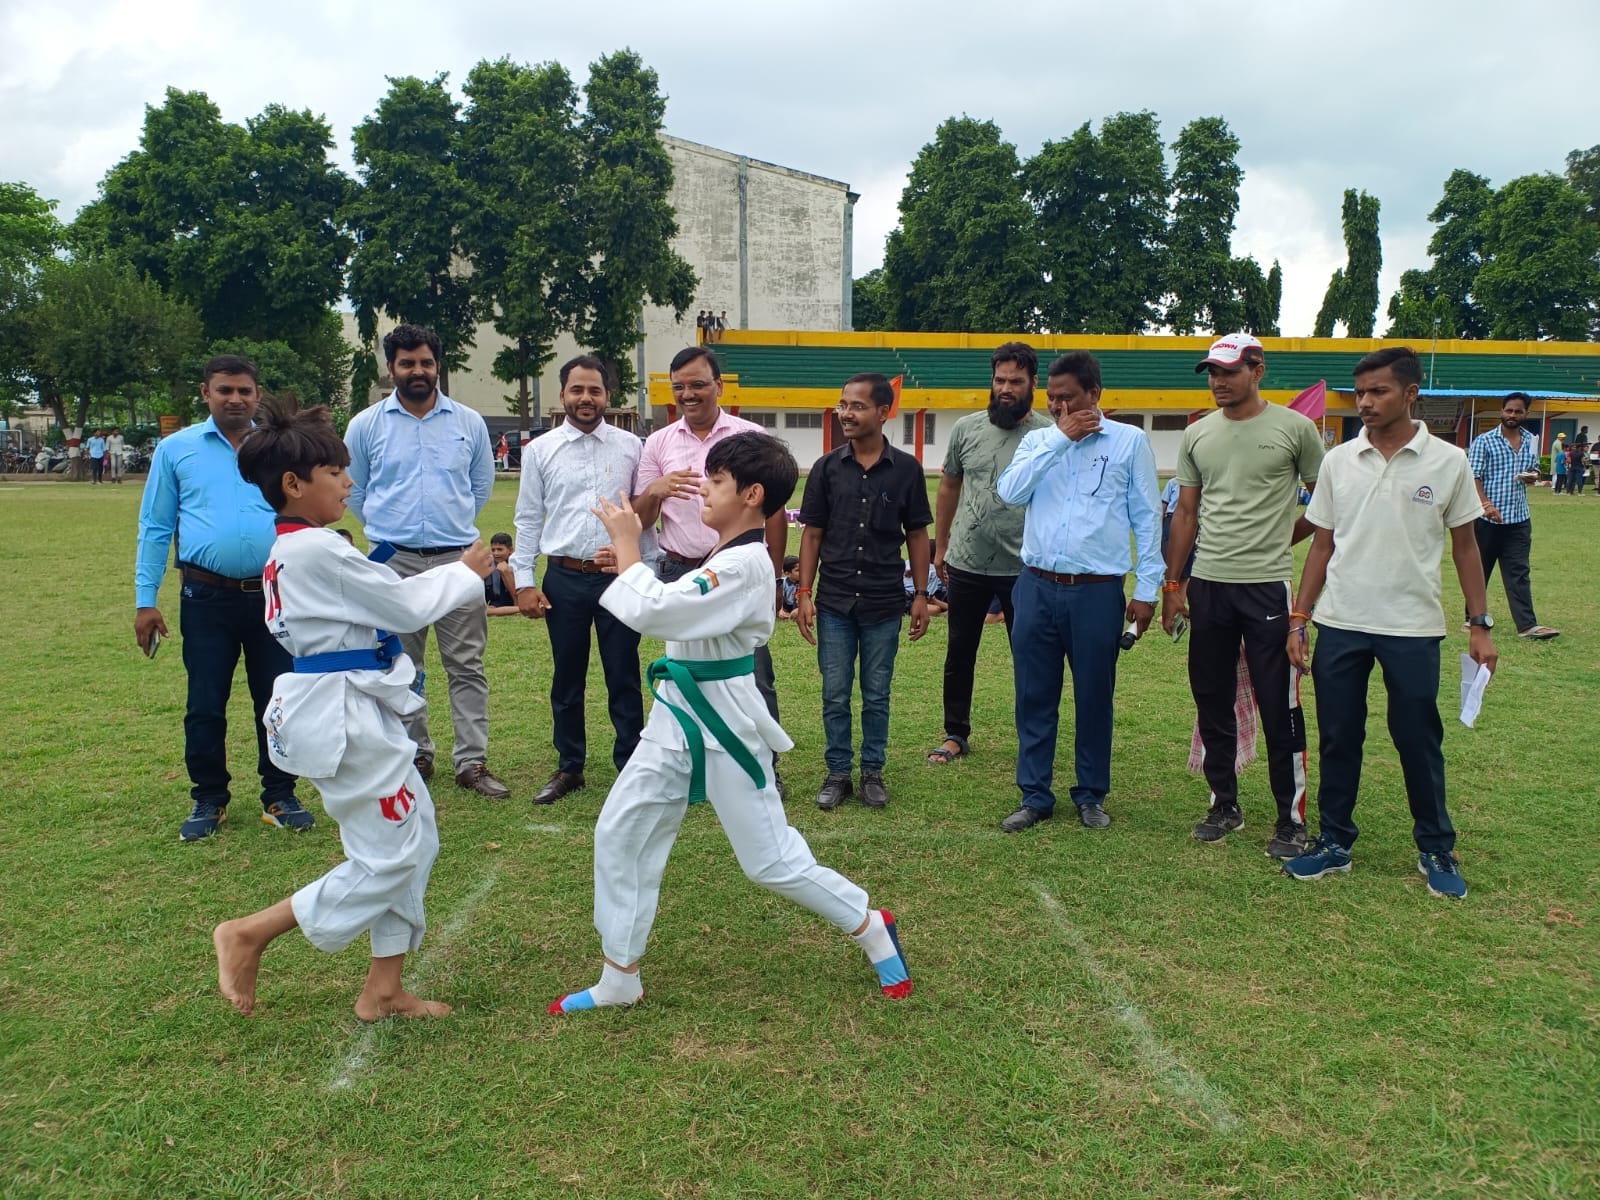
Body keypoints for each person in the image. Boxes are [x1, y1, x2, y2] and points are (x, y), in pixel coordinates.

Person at [547, 432, 912, 1014]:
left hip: (726, 722)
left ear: (752, 494)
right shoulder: (723, 558)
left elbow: (662, 610)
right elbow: (675, 602)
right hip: (676, 715)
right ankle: (620, 974)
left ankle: (868, 923)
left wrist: (630, 545)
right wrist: (632, 563)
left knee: (768, 861)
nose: (703, 492)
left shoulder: (745, 564)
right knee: (620, 831)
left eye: (715, 482)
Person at [214, 403, 494, 1018]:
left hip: (347, 708)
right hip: (343, 718)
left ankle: (385, 987)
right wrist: (465, 572)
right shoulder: (315, 549)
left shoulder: (298, 548)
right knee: (394, 851)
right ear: (294, 484)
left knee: (414, 837)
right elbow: (401, 607)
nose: (348, 483)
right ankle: (251, 932)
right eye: (335, 472)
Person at [1281, 347, 1497, 900]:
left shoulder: (1448, 461)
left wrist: (1481, 623)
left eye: (1378, 391)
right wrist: (1300, 618)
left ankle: (1436, 847)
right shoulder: (1338, 460)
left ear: (1410, 393)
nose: (1366, 402)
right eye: (1360, 393)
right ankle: (1334, 842)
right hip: (1342, 623)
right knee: (1338, 737)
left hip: (1413, 627)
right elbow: (1322, 543)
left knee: (1418, 740)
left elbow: (1466, 547)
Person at [135, 354, 314, 840]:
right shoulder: (177, 450)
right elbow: (155, 527)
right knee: (205, 703)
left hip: (274, 596)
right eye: (224, 390)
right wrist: (144, 600)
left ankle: (280, 794)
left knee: (278, 699)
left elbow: (306, 512)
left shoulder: (278, 448)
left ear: (258, 394)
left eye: (244, 391)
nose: (235, 399)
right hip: (205, 597)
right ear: (205, 393)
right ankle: (209, 799)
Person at [1161, 333, 1325, 859]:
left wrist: (1282, 540)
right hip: (1208, 586)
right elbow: (1185, 513)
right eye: (1212, 372)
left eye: (1229, 371)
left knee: (1280, 706)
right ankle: (1224, 804)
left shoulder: (1296, 429)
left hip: (1267, 588)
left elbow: (1327, 506)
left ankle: (1290, 817)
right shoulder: (1198, 434)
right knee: (1212, 699)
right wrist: (1172, 583)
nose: (1219, 382)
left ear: (1258, 370)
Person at [994, 351, 1161, 832]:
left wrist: (1147, 589)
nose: (1059, 406)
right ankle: (1034, 795)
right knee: (1034, 695)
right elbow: (1010, 492)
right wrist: (1059, 442)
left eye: (1069, 398)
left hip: (1096, 591)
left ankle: (1091, 794)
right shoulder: (1038, 442)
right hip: (1036, 587)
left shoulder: (1129, 443)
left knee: (1094, 695)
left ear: (1095, 395)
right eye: (1052, 398)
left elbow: (1147, 519)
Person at [344, 324, 509, 799]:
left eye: (426, 362)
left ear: (439, 366)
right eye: (407, 363)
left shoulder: (469, 423)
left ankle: (471, 762)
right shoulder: (366, 425)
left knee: (467, 665)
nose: (417, 371)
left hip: (458, 563)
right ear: (391, 367)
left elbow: (478, 489)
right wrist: (393, 530)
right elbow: (356, 490)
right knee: (401, 665)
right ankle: (415, 753)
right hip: (392, 564)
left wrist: (445, 532)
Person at [633, 346, 788, 795]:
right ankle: (688, 764)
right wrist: (658, 490)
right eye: (678, 386)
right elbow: (642, 517)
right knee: (686, 670)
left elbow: (773, 514)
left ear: (719, 386)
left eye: (698, 384)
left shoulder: (749, 436)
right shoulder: (659, 443)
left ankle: (765, 766)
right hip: (678, 568)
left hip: (738, 568)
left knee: (750, 672)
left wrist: (774, 578)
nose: (688, 394)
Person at [511, 354, 645, 805]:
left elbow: (645, 512)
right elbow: (528, 518)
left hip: (616, 578)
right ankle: (570, 767)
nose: (586, 399)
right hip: (563, 578)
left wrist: (642, 562)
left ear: (608, 395)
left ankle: (632, 765)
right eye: (577, 390)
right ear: (563, 394)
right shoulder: (540, 451)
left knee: (623, 674)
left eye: (595, 390)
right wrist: (524, 580)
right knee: (567, 677)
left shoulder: (631, 447)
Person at [795, 373, 933, 810]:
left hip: (883, 601)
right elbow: (812, 534)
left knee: (876, 692)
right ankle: (838, 772)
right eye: (842, 405)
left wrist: (920, 595)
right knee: (835, 691)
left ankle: (872, 771)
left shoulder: (907, 470)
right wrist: (803, 592)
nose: (846, 414)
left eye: (856, 406)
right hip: (834, 600)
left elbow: (917, 535)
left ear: (882, 412)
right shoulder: (826, 468)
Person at [926, 342, 1051, 766]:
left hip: (1027, 567)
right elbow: (949, 487)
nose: (1006, 388)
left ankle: (1030, 736)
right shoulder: (966, 429)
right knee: (960, 650)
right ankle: (955, 732)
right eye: (999, 380)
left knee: (1029, 655)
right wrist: (941, 545)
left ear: (1034, 383)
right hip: (967, 560)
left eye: (1016, 381)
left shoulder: (1049, 434)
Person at [1466, 394, 1558, 639]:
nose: (1512, 415)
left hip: (1518, 519)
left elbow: (1535, 468)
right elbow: (1473, 476)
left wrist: (1533, 476)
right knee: (1481, 569)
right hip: (1487, 519)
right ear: (1501, 411)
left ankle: (1526, 625)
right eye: (1508, 410)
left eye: (1518, 412)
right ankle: (1472, 617)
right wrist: (1486, 504)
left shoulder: (1530, 441)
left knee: (1518, 571)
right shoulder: (1484, 441)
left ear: (1525, 414)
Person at [485, 532, 519, 615]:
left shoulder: (517, 563)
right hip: (496, 604)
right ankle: (519, 609)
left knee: (504, 569)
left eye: (500, 549)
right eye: (493, 550)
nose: (496, 553)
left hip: (515, 599)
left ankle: (518, 607)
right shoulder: (489, 564)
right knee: (485, 611)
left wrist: (506, 573)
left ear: (510, 550)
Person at [1568, 426, 1589, 495]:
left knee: (1571, 480)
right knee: (1579, 480)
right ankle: (1580, 492)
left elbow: (1568, 461)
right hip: (1579, 467)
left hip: (1572, 467)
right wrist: (1585, 466)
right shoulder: (1581, 453)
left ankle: (1569, 492)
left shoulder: (1571, 453)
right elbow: (1583, 460)